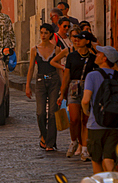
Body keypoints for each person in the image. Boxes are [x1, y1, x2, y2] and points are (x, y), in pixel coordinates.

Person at [82, 45, 118, 173]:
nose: (96, 55)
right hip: (115, 125)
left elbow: (86, 100)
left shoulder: (92, 76)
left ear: (104, 58)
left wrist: (87, 111)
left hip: (96, 124)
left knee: (96, 160)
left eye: (99, 54)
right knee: (109, 159)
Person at [51, 30, 96, 161]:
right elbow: (66, 76)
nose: (77, 40)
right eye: (76, 38)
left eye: (80, 39)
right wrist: (62, 93)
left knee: (85, 120)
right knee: (74, 119)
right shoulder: (72, 56)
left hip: (87, 88)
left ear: (87, 41)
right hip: (73, 88)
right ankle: (73, 141)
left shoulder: (93, 58)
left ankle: (84, 148)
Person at [25, 23, 63, 152]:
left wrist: (63, 87)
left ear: (50, 34)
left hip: (54, 81)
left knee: (53, 113)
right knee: (40, 113)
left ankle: (50, 143)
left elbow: (59, 69)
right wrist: (27, 86)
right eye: (41, 32)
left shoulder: (56, 50)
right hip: (40, 81)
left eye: (46, 33)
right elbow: (31, 69)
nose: (43, 35)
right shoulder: (35, 49)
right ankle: (44, 136)